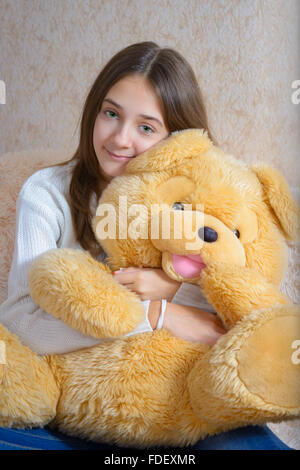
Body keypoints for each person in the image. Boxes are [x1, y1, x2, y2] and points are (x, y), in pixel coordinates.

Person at [0, 42, 226, 355]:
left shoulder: (200, 200)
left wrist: (174, 290)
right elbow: (20, 325)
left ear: (178, 138)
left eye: (146, 127)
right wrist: (155, 313)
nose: (120, 138)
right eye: (111, 113)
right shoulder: (46, 193)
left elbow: (241, 298)